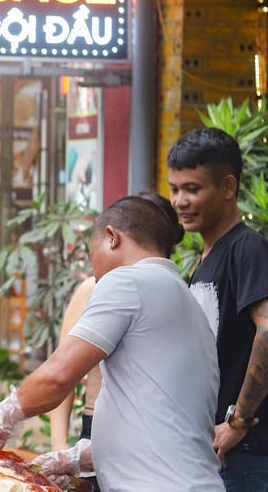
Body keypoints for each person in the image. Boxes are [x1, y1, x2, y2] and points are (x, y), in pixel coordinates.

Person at [0, 196, 223, 492]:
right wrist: (79, 457)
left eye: (92, 258)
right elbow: (162, 419)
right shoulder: (185, 301)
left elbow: (58, 376)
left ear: (111, 237)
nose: (95, 274)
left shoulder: (127, 281)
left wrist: (0, 415)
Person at [167, 127, 268, 491]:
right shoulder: (207, 256)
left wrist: (238, 420)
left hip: (238, 457)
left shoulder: (245, 247)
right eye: (175, 189)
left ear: (228, 187)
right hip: (212, 452)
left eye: (193, 188)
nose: (180, 201)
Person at [47, 192, 185, 492]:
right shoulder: (94, 288)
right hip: (97, 428)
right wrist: (60, 449)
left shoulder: (172, 292)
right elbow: (62, 372)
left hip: (152, 433)